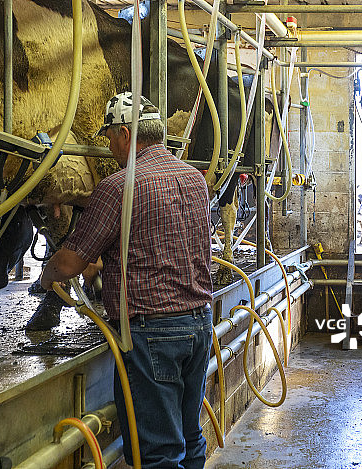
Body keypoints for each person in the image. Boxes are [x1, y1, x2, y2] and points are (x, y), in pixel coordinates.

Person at [38, 91, 213, 469]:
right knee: (190, 434)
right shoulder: (196, 180)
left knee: (159, 452)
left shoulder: (118, 186)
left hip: (152, 335)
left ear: (124, 134)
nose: (111, 146)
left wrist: (46, 275)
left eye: (111, 137)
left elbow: (69, 262)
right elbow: (168, 242)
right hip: (199, 323)